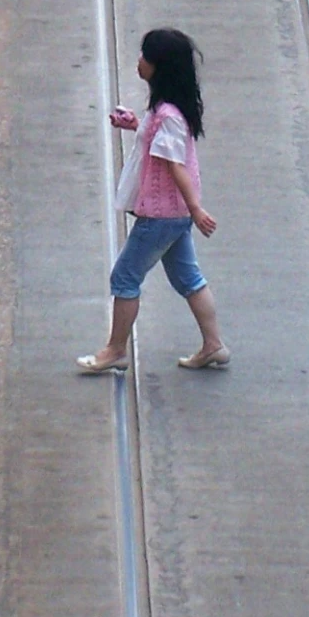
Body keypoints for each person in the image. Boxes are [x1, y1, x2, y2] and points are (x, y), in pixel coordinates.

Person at [78, 27, 228, 374]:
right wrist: (135, 125)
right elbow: (159, 141)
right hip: (173, 216)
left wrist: (196, 209)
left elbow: (175, 166)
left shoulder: (169, 117)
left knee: (125, 278)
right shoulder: (167, 111)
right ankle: (213, 345)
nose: (139, 61)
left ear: (160, 66)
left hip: (161, 215)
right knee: (188, 278)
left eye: (145, 56)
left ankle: (114, 350)